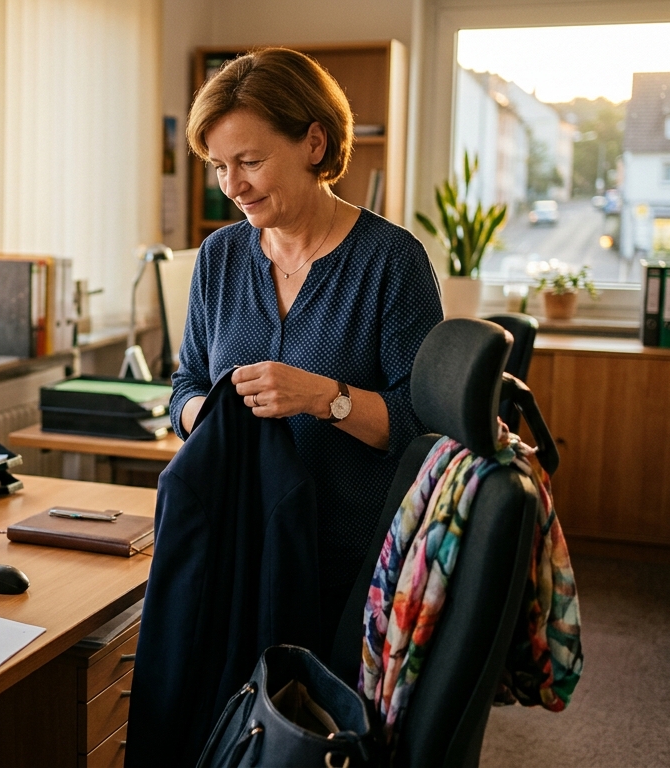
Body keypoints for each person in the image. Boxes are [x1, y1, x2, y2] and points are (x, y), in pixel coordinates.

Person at [170, 47, 443, 626]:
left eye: (249, 161)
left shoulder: (391, 261)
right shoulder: (219, 256)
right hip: (238, 549)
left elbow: (422, 428)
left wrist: (323, 397)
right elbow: (184, 387)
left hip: (348, 564)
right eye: (219, 166)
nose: (232, 186)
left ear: (314, 143)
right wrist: (216, 414)